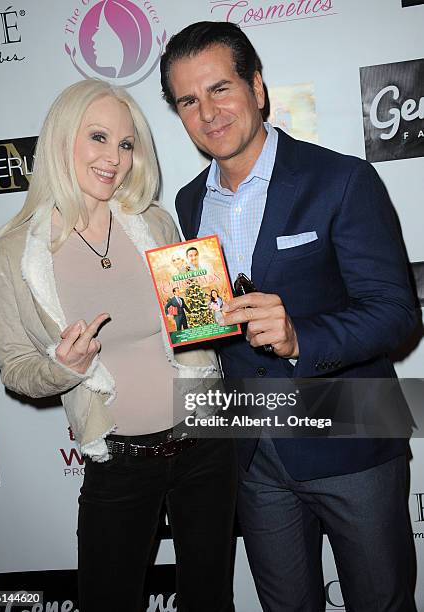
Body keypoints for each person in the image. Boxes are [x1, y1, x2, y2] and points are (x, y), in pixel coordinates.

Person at [160, 22, 418, 612]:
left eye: (221, 88)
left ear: (258, 88)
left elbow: (397, 313)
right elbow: (208, 327)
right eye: (189, 101)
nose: (209, 112)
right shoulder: (188, 201)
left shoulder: (343, 179)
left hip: (355, 435)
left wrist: (303, 335)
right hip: (254, 453)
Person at [0, 78, 237, 612]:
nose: (115, 159)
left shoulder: (155, 221)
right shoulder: (12, 254)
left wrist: (222, 311)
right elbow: (15, 368)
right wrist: (63, 365)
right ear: (60, 140)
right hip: (119, 460)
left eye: (126, 144)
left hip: (204, 444)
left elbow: (197, 332)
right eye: (98, 138)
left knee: (210, 599)